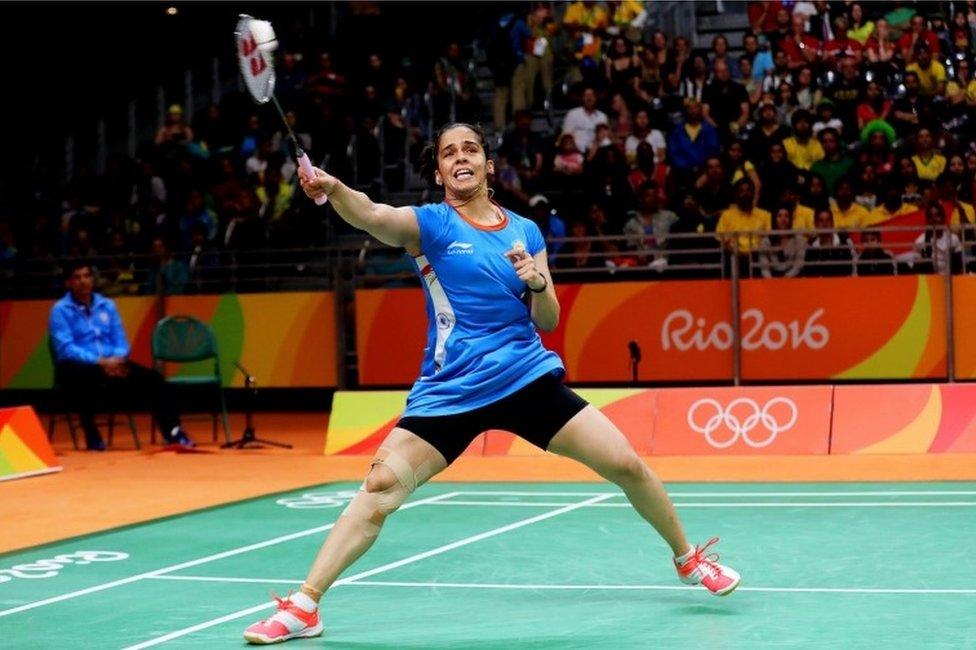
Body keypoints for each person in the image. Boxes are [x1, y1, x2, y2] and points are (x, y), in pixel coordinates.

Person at [242, 123, 741, 644]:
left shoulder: (525, 231)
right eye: (449, 153)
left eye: (471, 149)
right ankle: (304, 606)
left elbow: (547, 319)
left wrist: (538, 282)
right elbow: (372, 216)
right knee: (380, 487)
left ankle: (688, 559)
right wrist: (334, 189)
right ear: (438, 172)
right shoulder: (430, 225)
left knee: (625, 463)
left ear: (488, 165)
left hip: (524, 377)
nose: (461, 158)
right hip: (451, 389)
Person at [49, 260, 193, 451]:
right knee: (83, 376)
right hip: (77, 367)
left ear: (92, 279)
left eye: (86, 276)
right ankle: (91, 433)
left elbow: (120, 340)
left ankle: (173, 432)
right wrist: (99, 362)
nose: (82, 281)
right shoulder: (60, 310)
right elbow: (65, 348)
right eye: (77, 277)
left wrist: (116, 359)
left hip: (112, 365)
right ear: (68, 282)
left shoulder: (107, 305)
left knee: (154, 379)